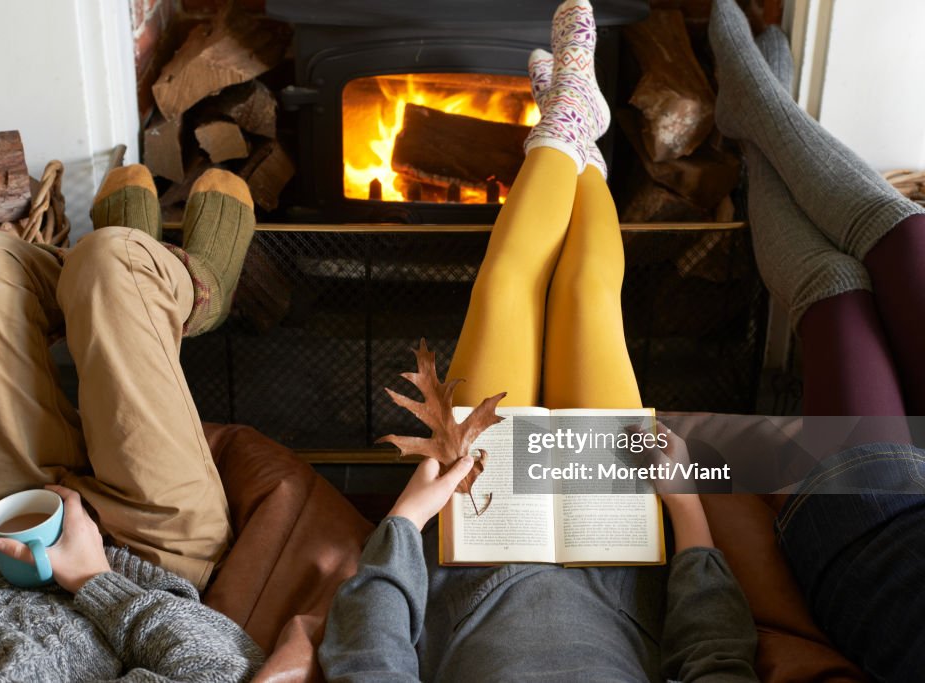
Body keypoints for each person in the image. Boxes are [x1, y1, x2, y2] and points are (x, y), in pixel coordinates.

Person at [318, 2, 760, 680]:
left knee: (503, 290)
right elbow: (717, 660)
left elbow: (365, 657)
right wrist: (685, 505)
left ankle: (571, 123)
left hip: (477, 559)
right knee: (586, 298)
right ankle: (574, 130)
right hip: (617, 570)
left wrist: (406, 518)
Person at [0, 165, 265, 680]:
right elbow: (220, 664)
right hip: (150, 557)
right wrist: (94, 578)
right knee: (113, 260)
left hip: (9, 554)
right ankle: (198, 283)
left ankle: (111, 273)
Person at [707, 1, 925, 679]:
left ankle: (752, 99)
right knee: (888, 248)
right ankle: (753, 103)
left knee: (840, 284)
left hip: (881, 535)